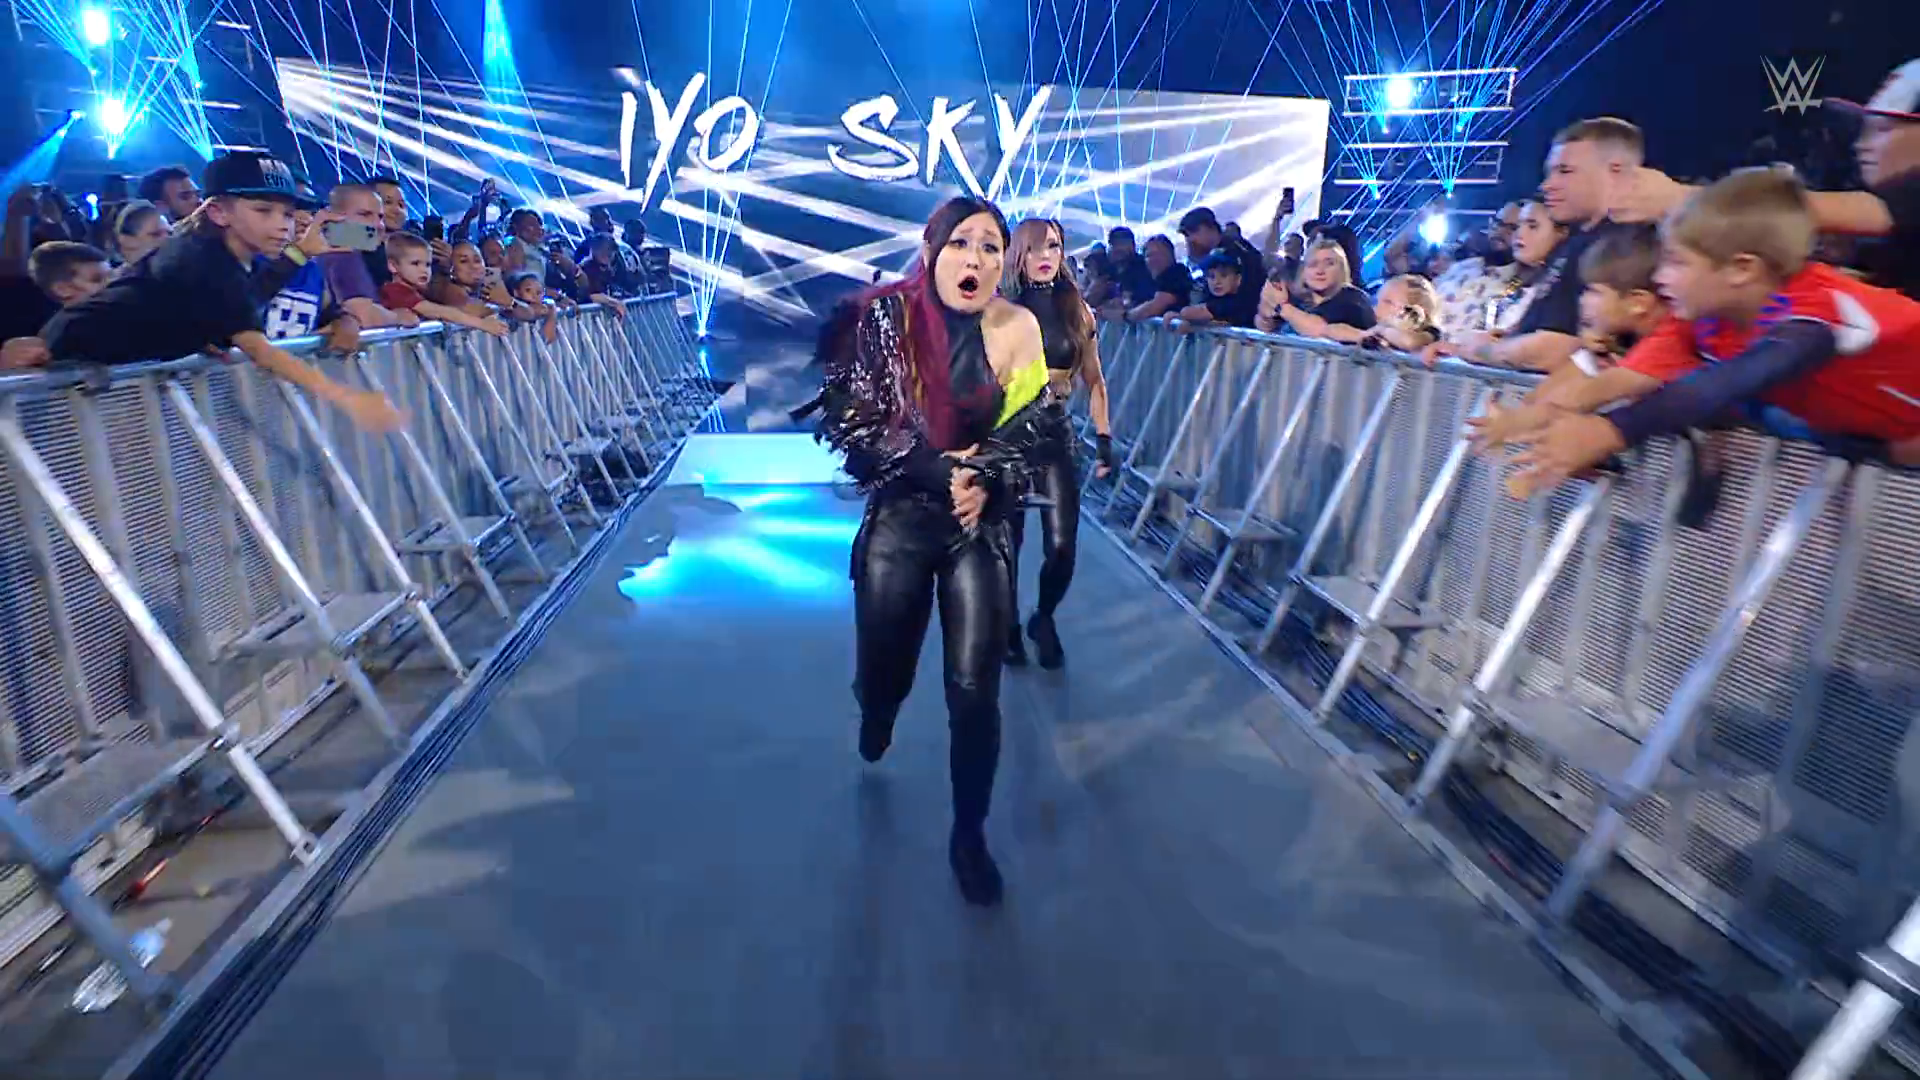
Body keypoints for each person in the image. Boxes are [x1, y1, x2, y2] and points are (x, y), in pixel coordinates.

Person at [793, 195, 1052, 907]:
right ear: (933, 250)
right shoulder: (884, 319)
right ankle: (876, 713)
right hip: (902, 519)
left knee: (974, 691)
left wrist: (990, 478)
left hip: (978, 525)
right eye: (962, 243)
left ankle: (969, 835)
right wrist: (944, 471)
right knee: (886, 672)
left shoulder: (1018, 327)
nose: (976, 259)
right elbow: (852, 421)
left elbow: (1035, 425)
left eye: (991, 247)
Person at [1506, 168, 1920, 493]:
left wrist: (1608, 431)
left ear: (1741, 269)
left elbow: (1722, 384)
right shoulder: (1699, 321)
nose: (1660, 277)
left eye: (1677, 262)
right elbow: (1606, 384)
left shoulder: (1816, 308)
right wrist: (1533, 422)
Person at [38, 152, 405, 433]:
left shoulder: (232, 256)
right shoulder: (202, 258)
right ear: (218, 212)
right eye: (264, 210)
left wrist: (301, 253)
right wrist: (348, 400)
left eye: (287, 214)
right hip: (59, 376)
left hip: (105, 377)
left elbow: (251, 296)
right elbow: (261, 351)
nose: (282, 224)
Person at [1000, 217, 1117, 669]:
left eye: (1053, 246)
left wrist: (1104, 438)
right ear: (1019, 255)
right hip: (1007, 436)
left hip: (1055, 432)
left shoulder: (1077, 310)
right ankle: (1006, 622)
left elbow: (1095, 380)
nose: (1045, 256)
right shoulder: (1000, 309)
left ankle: (1043, 617)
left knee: (1063, 543)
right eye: (1034, 248)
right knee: (1005, 542)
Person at [1256, 237, 1376, 336]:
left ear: (1342, 269)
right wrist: (1266, 309)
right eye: (1313, 264)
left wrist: (1281, 307)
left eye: (1329, 264)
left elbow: (1319, 330)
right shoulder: (1302, 302)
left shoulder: (1354, 300)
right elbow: (1265, 327)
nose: (1320, 271)